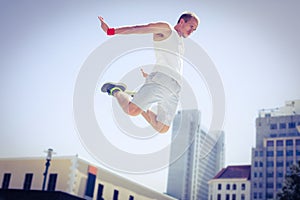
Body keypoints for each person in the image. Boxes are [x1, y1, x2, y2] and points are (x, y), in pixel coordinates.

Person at [99, 12, 199, 133]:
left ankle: (137, 97)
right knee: (132, 111)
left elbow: (171, 62)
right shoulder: (166, 30)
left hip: (175, 87)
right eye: (191, 26)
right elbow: (141, 28)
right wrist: (111, 31)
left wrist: (150, 76)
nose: (192, 31)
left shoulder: (180, 42)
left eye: (195, 29)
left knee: (161, 128)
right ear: (182, 21)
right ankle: (116, 91)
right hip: (163, 80)